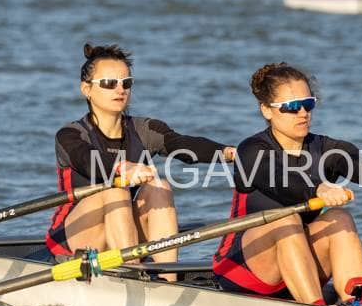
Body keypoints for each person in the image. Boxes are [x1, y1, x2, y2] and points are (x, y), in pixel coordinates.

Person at [212, 63, 362, 306]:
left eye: (308, 104)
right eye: (292, 106)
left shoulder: (327, 149)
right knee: (285, 219)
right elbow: (280, 180)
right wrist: (318, 189)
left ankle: (357, 304)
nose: (303, 113)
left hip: (301, 265)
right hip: (244, 269)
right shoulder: (251, 150)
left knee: (340, 217)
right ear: (266, 110)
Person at [46, 43, 235, 271]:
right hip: (76, 236)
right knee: (115, 190)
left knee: (160, 187)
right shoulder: (70, 135)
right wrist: (122, 168)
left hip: (122, 229)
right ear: (86, 89)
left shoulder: (144, 129)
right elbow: (88, 161)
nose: (120, 90)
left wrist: (230, 153)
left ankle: (168, 278)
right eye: (109, 83)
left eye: (126, 83)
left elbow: (184, 145)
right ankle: (132, 272)